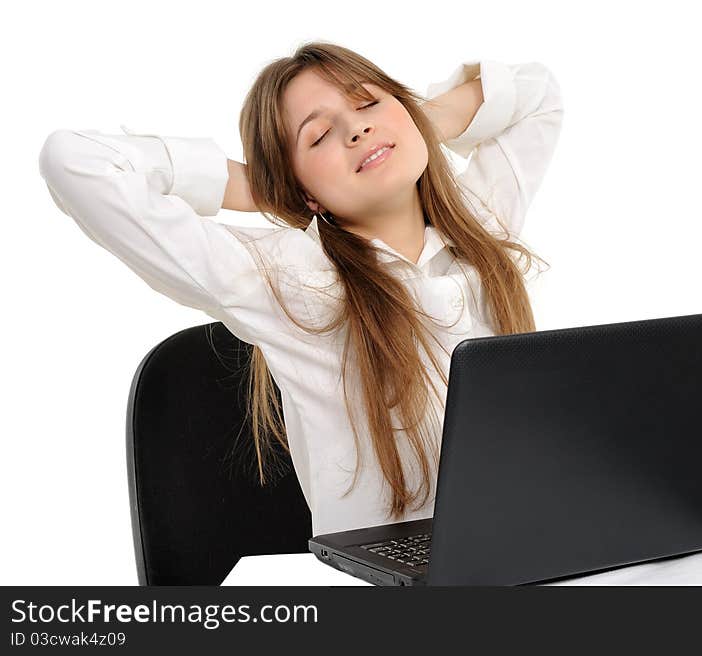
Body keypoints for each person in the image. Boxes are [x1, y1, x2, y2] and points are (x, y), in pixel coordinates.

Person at [38, 41, 564, 537]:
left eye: (367, 104)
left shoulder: (480, 222)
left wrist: (419, 122)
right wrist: (251, 187)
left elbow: (538, 93)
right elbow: (74, 162)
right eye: (318, 137)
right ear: (301, 188)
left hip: (528, 545)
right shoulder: (283, 276)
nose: (356, 131)